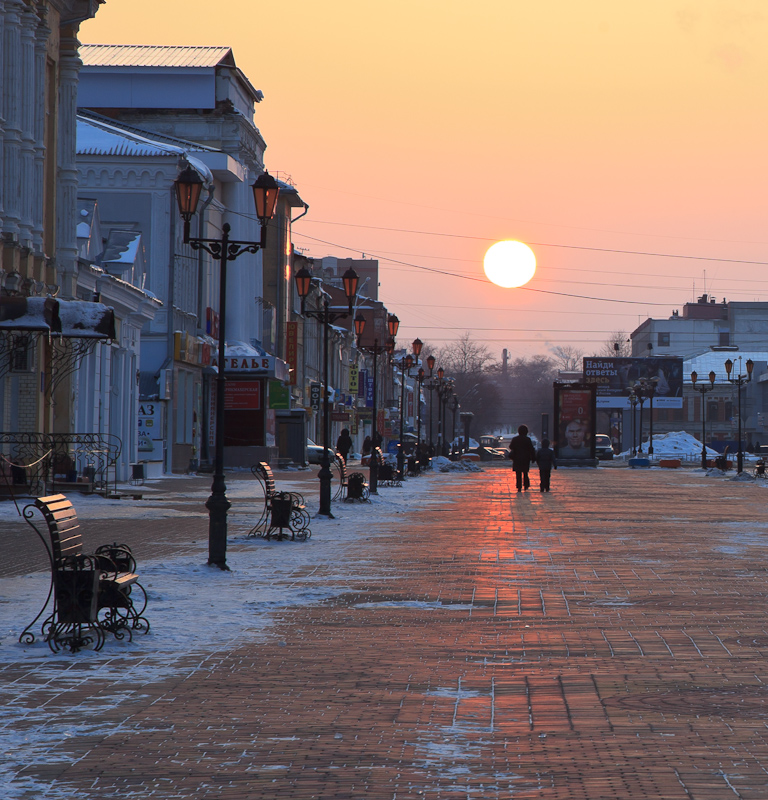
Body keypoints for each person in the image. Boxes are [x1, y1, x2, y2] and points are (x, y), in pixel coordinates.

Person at [507, 424, 537, 492]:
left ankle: (519, 486)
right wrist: (533, 458)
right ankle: (526, 485)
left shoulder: (515, 439)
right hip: (526, 458)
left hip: (517, 458)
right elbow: (531, 449)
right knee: (525, 473)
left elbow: (511, 447)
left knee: (518, 473)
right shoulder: (527, 439)